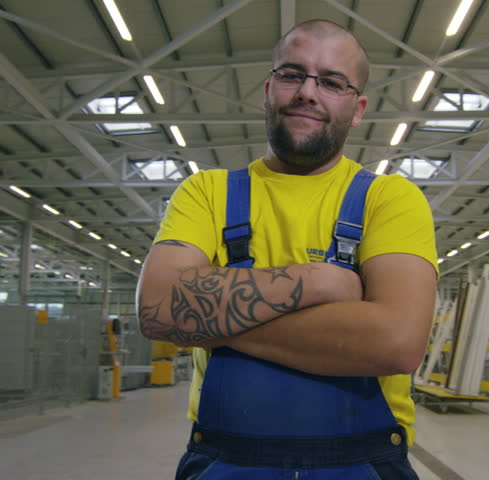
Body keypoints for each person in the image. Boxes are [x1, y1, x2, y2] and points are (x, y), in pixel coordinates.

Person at [136, 19, 438, 480]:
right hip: (225, 462)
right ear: (268, 89)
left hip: (364, 464)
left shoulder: (389, 198)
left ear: (357, 109)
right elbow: (157, 309)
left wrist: (210, 321)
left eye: (332, 82)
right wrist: (321, 282)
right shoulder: (206, 192)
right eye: (292, 74)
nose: (307, 93)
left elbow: (397, 342)